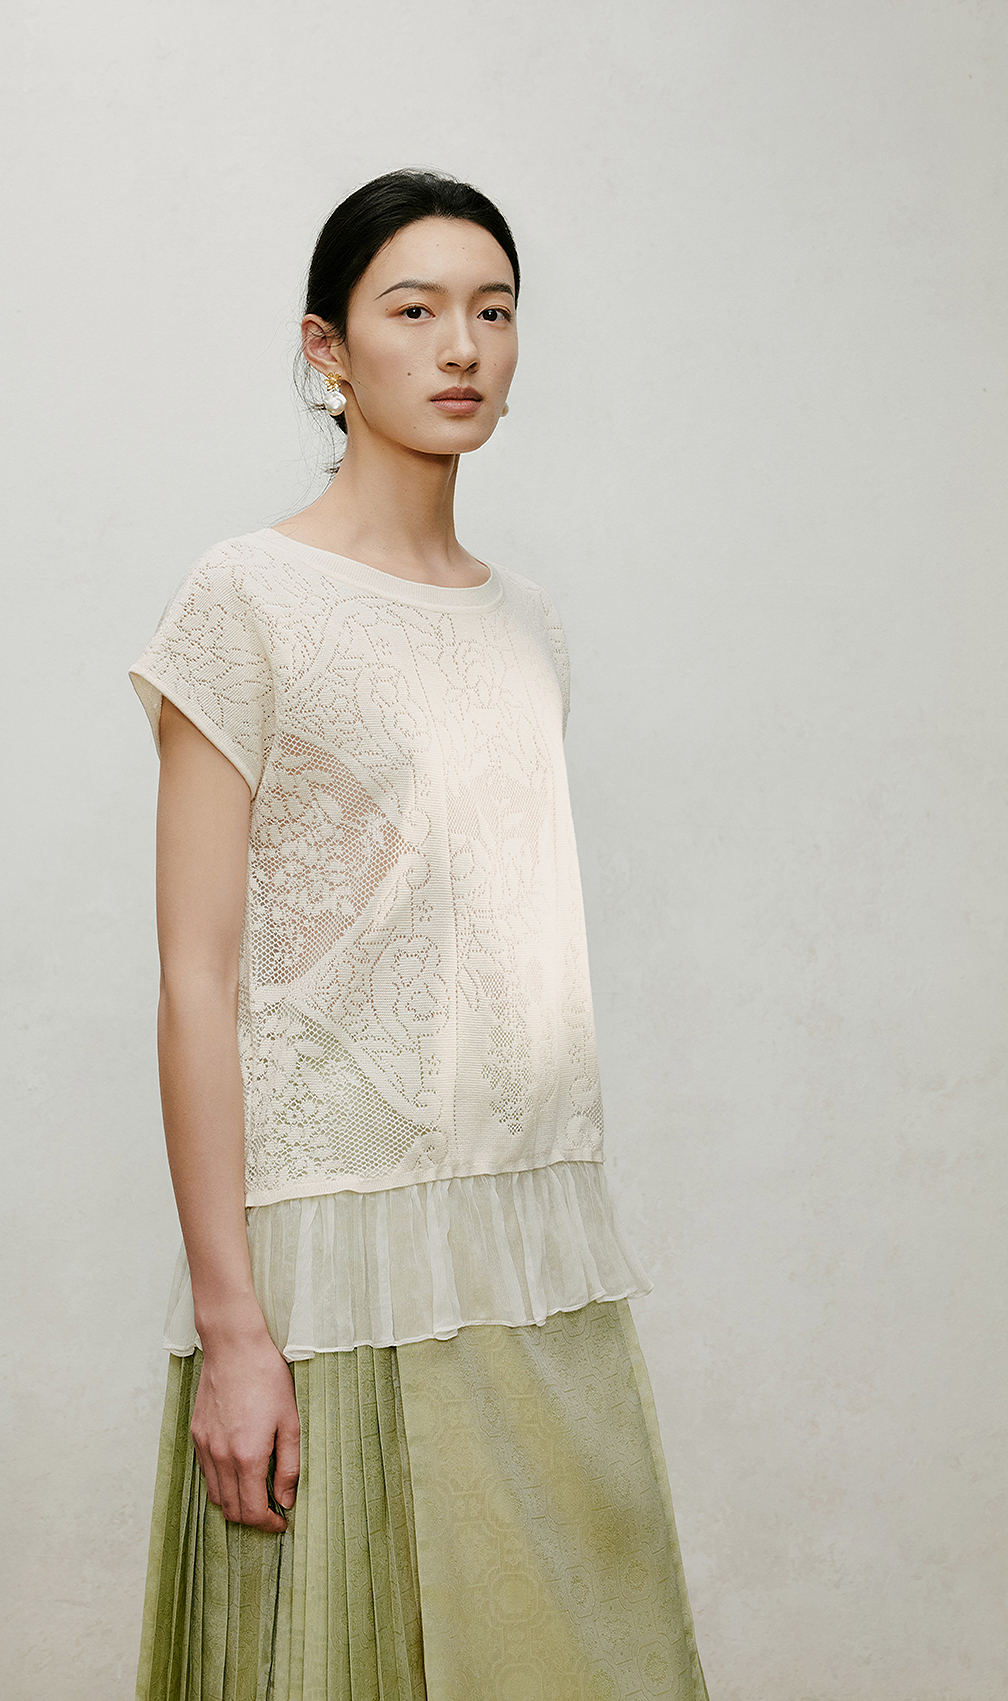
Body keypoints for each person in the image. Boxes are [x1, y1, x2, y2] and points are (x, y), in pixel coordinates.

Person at [129, 168, 711, 1701]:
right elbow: (195, 976)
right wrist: (234, 1328)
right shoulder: (248, 599)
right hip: (330, 1253)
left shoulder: (530, 625)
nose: (463, 346)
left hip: (528, 1231)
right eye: (416, 309)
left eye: (494, 311)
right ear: (325, 349)